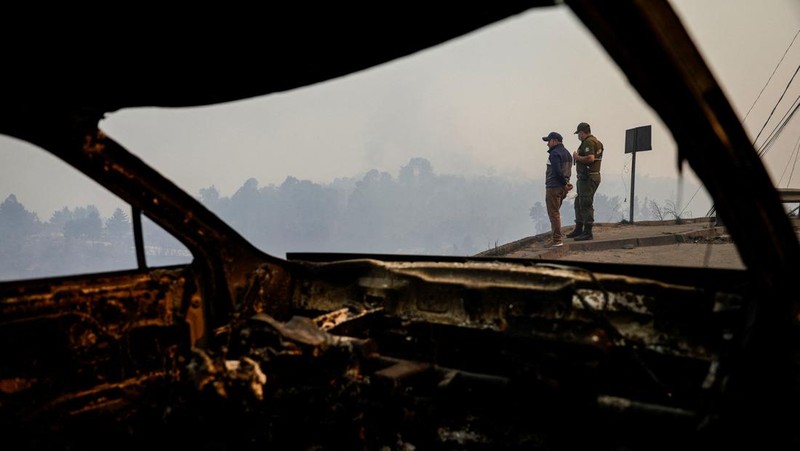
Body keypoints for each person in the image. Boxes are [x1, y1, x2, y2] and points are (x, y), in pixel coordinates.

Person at [568, 122, 604, 241]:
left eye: (578, 133)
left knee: (585, 203)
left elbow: (590, 158)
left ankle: (587, 232)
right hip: (588, 177)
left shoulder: (588, 142)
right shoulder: (596, 141)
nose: (578, 136)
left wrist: (577, 157)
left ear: (582, 133)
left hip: (588, 178)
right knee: (579, 202)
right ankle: (579, 228)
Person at [541, 131, 573, 248]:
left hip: (554, 187)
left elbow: (556, 171)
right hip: (563, 188)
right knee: (556, 212)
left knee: (553, 213)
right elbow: (567, 171)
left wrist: (564, 183)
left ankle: (557, 240)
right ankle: (556, 238)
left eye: (548, 141)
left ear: (554, 140)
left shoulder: (554, 154)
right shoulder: (568, 154)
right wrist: (566, 184)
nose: (547, 144)